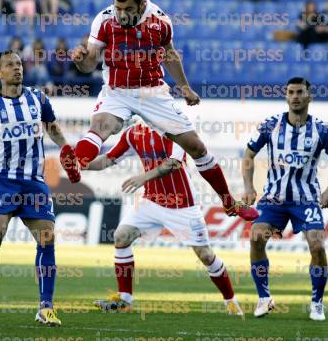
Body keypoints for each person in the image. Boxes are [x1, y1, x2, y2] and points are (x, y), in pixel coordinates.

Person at [69, 0, 257, 221]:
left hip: (152, 92)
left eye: (127, 9)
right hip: (117, 90)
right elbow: (89, 65)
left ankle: (229, 203)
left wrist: (185, 88)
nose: (122, 14)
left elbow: (169, 54)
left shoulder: (159, 21)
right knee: (101, 127)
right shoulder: (104, 20)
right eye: (118, 8)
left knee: (197, 147)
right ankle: (76, 163)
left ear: (141, 5)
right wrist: (80, 60)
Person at [0, 50, 79, 327]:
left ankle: (46, 307)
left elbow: (52, 127)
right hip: (0, 179)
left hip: (33, 181)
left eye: (19, 64)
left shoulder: (38, 98)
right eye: (10, 65)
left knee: (47, 238)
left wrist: (66, 148)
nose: (17, 68)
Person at [85, 119, 244, 315]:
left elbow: (173, 163)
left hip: (182, 204)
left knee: (205, 255)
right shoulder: (132, 133)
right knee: (121, 236)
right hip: (151, 201)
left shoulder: (174, 129)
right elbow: (108, 159)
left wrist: (142, 178)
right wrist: (80, 164)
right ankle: (125, 299)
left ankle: (230, 300)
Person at [242, 77, 328, 321]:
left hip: (307, 199)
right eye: (291, 92)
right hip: (274, 198)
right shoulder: (270, 126)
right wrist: (248, 185)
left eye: (300, 92)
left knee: (317, 246)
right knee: (256, 236)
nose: (295, 96)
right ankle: (264, 298)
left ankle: (317, 303)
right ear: (286, 96)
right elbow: (248, 155)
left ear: (309, 96)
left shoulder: (322, 130)